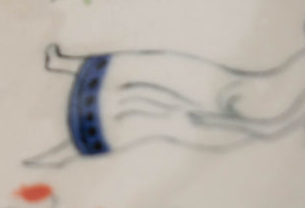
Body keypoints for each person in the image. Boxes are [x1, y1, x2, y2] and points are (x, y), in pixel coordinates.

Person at [26, 41, 305, 165]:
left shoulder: (268, 103)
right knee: (150, 78)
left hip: (213, 106)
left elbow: (265, 122)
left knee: (141, 106)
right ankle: (70, 69)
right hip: (222, 97)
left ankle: (60, 152)